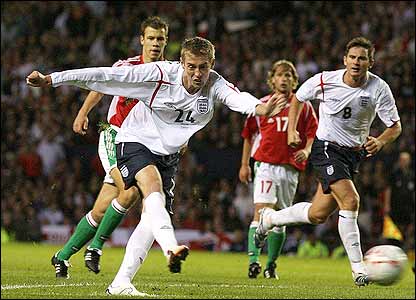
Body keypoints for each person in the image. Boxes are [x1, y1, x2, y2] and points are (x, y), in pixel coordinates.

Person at [26, 36, 288, 295]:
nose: (198, 74)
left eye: (204, 67)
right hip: (134, 140)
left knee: (151, 218)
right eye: (192, 66)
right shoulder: (159, 75)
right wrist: (52, 79)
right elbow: (103, 76)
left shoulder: (214, 83)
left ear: (212, 64)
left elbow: (238, 98)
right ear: (181, 63)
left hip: (167, 155)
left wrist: (260, 108)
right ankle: (170, 248)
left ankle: (120, 283)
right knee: (152, 190)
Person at [254, 36, 402, 287]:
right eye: (352, 57)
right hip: (326, 149)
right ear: (345, 60)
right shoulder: (325, 80)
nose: (356, 62)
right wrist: (292, 130)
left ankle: (269, 219)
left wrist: (381, 141)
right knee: (351, 199)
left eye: (362, 58)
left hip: (353, 155)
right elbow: (299, 99)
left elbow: (395, 126)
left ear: (371, 62)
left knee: (317, 214)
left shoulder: (379, 88)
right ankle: (358, 269)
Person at [49, 16, 170, 280]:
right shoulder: (126, 66)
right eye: (150, 38)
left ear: (166, 41)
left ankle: (62, 256)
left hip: (141, 144)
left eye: (160, 39)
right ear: (142, 40)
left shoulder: (169, 74)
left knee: (102, 209)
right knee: (130, 191)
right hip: (113, 135)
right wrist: (82, 113)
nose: (155, 44)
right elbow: (101, 84)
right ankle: (95, 248)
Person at [238, 60, 318, 279]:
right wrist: (245, 164)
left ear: (295, 81)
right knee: (261, 211)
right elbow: (248, 135)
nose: (284, 79)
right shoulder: (262, 105)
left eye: (289, 75)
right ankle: (253, 261)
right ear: (272, 79)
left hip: (290, 169)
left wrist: (308, 150)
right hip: (266, 165)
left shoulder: (303, 106)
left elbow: (312, 132)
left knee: (280, 219)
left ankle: (271, 264)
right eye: (280, 75)